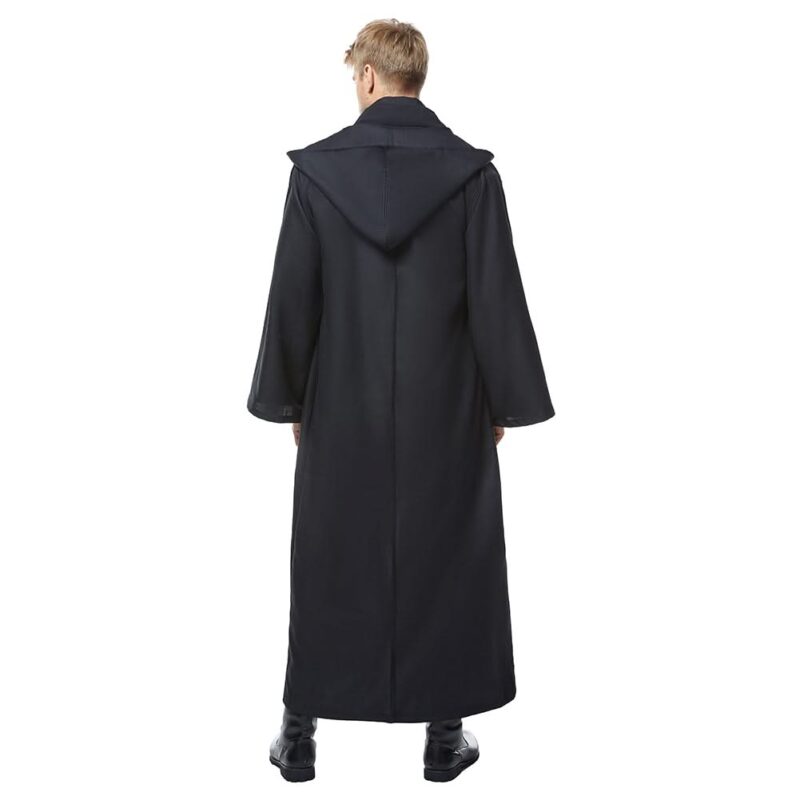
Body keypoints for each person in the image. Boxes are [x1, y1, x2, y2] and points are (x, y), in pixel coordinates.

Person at [247, 18, 555, 782]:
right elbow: (494, 295)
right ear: (416, 78)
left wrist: (290, 400)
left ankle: (299, 734)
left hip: (341, 403)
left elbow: (295, 299)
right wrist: (502, 403)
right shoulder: (471, 176)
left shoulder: (316, 175)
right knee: (446, 557)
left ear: (368, 77)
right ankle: (444, 738)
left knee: (329, 559)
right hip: (444, 405)